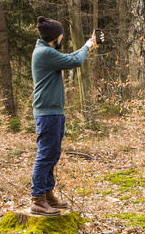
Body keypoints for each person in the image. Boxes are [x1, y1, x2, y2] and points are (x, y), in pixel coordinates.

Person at [30, 16, 103, 216]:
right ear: (56, 36)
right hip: (47, 114)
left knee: (52, 154)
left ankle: (46, 193)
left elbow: (71, 57)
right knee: (46, 155)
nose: (62, 37)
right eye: (61, 34)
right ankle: (37, 199)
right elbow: (75, 60)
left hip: (53, 113)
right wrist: (88, 45)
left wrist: (88, 46)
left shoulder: (47, 52)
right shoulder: (44, 53)